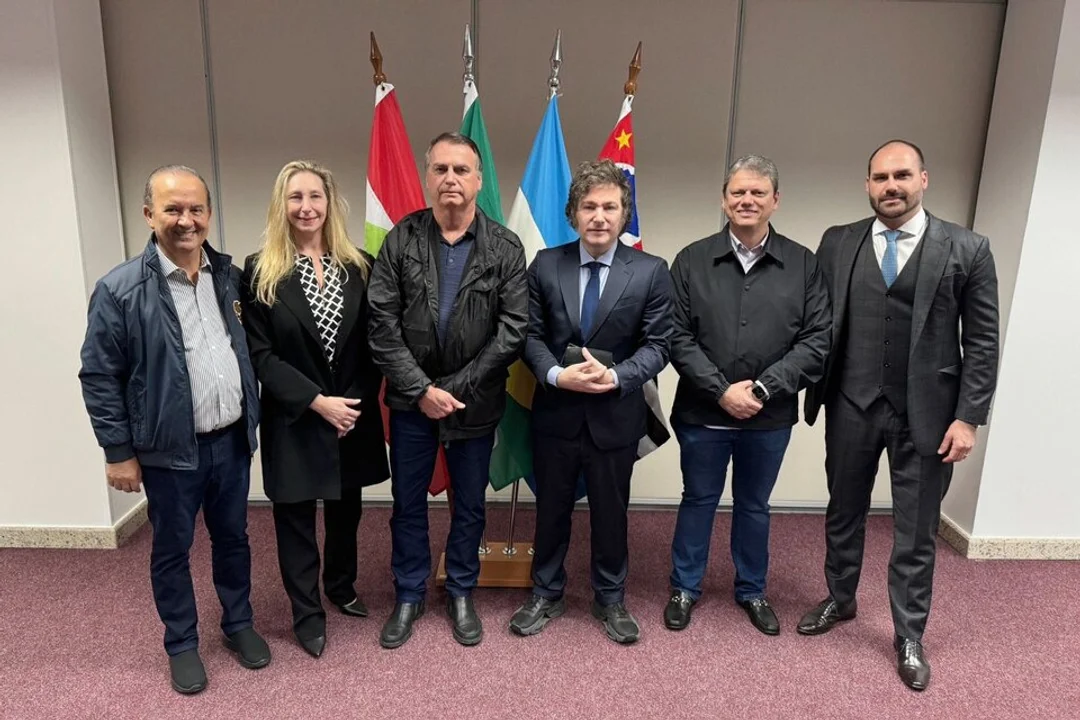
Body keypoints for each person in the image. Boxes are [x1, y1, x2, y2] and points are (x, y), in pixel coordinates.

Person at [798, 140, 1000, 691]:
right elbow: (817, 321)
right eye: (881, 177)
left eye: (902, 175)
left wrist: (969, 418)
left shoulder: (968, 248)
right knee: (843, 511)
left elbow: (982, 343)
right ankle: (840, 598)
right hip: (851, 403)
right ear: (867, 184)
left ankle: (909, 633)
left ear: (923, 180)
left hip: (929, 417)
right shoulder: (838, 242)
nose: (892, 186)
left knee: (915, 530)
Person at [79, 165, 269, 695]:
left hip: (231, 442)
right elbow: (99, 375)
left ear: (209, 213)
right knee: (172, 549)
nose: (187, 220)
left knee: (233, 539)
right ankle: (182, 643)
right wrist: (117, 451)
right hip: (168, 452)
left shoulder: (228, 276)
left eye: (196, 209)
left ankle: (238, 623)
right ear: (149, 215)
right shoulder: (120, 289)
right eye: (173, 209)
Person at [366, 132, 527, 648]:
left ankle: (460, 589)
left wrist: (452, 389)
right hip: (411, 405)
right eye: (441, 169)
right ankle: (409, 593)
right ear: (427, 177)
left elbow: (512, 331)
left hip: (473, 403)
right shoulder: (401, 238)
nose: (451, 179)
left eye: (461, 170)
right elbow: (381, 326)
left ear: (478, 180)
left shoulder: (505, 246)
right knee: (407, 503)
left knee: (470, 505)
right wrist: (421, 390)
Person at [663, 155, 831, 635]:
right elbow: (675, 335)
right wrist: (721, 391)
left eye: (758, 192)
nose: (747, 200)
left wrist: (762, 388)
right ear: (724, 200)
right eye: (738, 192)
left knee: (754, 504)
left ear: (775, 200)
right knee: (698, 499)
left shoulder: (804, 264)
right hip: (703, 413)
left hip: (768, 416)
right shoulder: (692, 260)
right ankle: (684, 587)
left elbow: (817, 339)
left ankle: (752, 590)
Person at [510, 159, 672, 644]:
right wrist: (556, 375)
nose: (599, 216)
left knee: (610, 512)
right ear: (573, 214)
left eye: (610, 207)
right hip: (556, 414)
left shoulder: (650, 271)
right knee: (551, 508)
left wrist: (617, 376)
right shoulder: (545, 264)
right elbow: (529, 335)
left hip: (614, 416)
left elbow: (659, 345)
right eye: (589, 207)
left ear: (624, 214)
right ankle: (546, 591)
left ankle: (610, 597)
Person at [240, 160, 389, 658]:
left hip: (351, 415)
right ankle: (306, 613)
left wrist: (349, 407)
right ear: (281, 205)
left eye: (315, 196)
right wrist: (318, 403)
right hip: (296, 417)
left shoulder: (361, 265)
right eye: (296, 197)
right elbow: (261, 355)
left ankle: (341, 586)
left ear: (330, 203)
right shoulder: (259, 271)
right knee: (296, 519)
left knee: (347, 512)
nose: (306, 207)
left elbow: (373, 345)